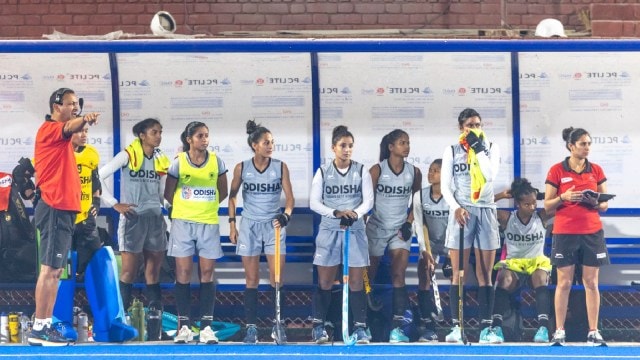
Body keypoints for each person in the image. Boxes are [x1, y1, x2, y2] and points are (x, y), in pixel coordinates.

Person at [28, 88, 99, 346]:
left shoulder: (64, 140)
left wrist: (81, 128)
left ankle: (43, 325)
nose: (75, 108)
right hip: (55, 207)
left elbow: (73, 134)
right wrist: (86, 119)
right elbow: (71, 127)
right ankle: (40, 328)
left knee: (55, 271)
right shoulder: (50, 129)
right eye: (70, 104)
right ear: (56, 106)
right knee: (49, 270)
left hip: (65, 210)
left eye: (77, 105)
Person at [228, 120, 295, 344]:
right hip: (249, 226)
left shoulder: (280, 166)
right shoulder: (242, 167)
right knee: (252, 279)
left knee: (277, 278)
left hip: (274, 226)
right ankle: (252, 328)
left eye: (272, 142)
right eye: (266, 142)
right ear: (255, 145)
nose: (270, 146)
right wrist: (232, 224)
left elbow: (290, 198)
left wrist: (285, 215)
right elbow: (232, 196)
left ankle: (278, 326)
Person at [544, 127, 610, 346]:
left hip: (592, 232)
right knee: (563, 283)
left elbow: (605, 205)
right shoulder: (556, 171)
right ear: (571, 146)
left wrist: (596, 201)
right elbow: (547, 206)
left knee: (591, 282)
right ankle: (559, 331)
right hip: (565, 233)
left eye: (589, 143)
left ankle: (593, 331)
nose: (587, 147)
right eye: (582, 143)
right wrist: (564, 196)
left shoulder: (596, 170)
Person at [440, 108, 502, 344]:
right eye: (470, 126)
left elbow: (489, 175)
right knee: (458, 273)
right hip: (461, 211)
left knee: (485, 273)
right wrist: (456, 207)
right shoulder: (452, 151)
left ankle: (486, 328)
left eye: (478, 124)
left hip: (485, 209)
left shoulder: (491, 147)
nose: (475, 129)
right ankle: (457, 326)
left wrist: (478, 148)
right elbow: (446, 185)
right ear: (461, 128)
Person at [164, 121, 228, 344]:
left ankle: (207, 328)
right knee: (182, 273)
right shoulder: (179, 163)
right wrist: (185, 209)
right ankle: (184, 328)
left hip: (208, 223)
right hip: (182, 223)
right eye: (200, 136)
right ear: (189, 139)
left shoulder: (217, 161)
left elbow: (223, 191)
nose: (205, 139)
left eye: (207, 135)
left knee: (207, 274)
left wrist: (205, 207)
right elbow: (168, 192)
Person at [309, 125, 374, 344]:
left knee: (355, 282)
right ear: (333, 148)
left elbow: (368, 201)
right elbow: (314, 203)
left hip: (354, 230)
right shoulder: (323, 171)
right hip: (329, 230)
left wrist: (355, 213)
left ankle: (361, 328)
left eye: (350, 146)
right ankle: (318, 326)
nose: (347, 150)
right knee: (325, 281)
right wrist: (336, 212)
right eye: (343, 146)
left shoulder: (361, 170)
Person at [99, 118, 170, 310]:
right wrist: (114, 203)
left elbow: (162, 192)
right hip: (133, 218)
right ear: (142, 135)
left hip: (155, 219)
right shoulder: (127, 155)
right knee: (129, 272)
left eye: (160, 132)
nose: (158, 136)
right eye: (154, 132)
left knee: (153, 273)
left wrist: (170, 209)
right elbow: (98, 175)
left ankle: (155, 319)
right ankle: (122, 316)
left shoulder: (160, 159)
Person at [366, 129, 422, 343]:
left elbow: (416, 202)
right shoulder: (376, 170)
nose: (407, 146)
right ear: (391, 147)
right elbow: (366, 201)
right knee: (367, 278)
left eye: (408, 142)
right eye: (402, 142)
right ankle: (364, 324)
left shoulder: (414, 171)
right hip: (377, 228)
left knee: (398, 275)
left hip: (400, 229)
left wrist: (409, 223)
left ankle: (398, 328)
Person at [491, 178, 553, 343]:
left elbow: (562, 201)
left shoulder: (541, 216)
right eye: (527, 204)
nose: (532, 207)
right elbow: (482, 205)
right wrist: (502, 195)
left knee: (540, 277)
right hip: (514, 264)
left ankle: (543, 328)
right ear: (517, 203)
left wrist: (541, 196)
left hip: (536, 263)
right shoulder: (506, 218)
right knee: (504, 278)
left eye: (534, 203)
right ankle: (496, 327)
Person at [411, 159, 449, 342]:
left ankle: (458, 326)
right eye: (430, 170)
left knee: (456, 274)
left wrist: (450, 254)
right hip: (430, 243)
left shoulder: (453, 195)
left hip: (451, 242)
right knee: (424, 273)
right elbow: (419, 224)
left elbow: (457, 225)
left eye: (436, 170)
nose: (430, 173)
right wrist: (425, 251)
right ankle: (429, 328)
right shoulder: (419, 196)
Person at [71, 123, 103, 277]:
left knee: (94, 261)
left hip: (86, 217)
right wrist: (35, 196)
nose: (84, 135)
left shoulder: (91, 153)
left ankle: (86, 300)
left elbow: (95, 182)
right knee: (64, 267)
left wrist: (96, 203)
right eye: (80, 131)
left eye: (86, 131)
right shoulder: (56, 152)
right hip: (63, 217)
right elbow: (21, 173)